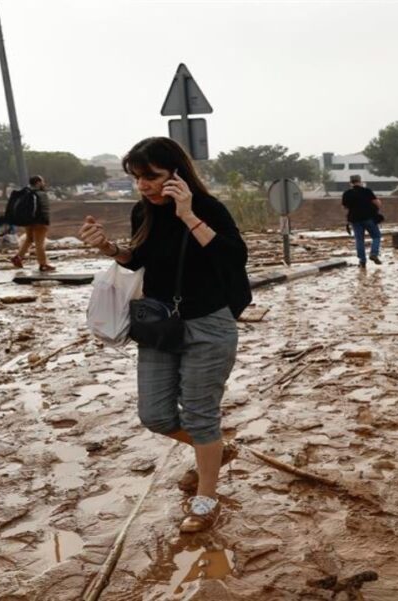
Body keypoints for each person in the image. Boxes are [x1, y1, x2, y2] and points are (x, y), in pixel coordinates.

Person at [77, 137, 251, 534]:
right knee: (154, 415)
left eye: (151, 177)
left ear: (176, 174)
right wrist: (109, 247)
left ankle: (206, 499)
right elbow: (138, 259)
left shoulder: (208, 208)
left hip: (208, 323)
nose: (144, 186)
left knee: (201, 414)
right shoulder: (144, 212)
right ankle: (214, 451)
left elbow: (232, 257)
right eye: (137, 178)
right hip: (159, 324)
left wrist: (188, 214)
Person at [10, 175, 54, 271]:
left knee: (29, 239)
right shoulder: (41, 194)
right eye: (42, 181)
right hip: (39, 222)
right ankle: (43, 264)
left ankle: (18, 258)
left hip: (28, 222)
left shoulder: (26, 193)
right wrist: (44, 222)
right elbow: (43, 210)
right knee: (39, 243)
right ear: (38, 183)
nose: (44, 183)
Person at [341, 174, 383, 267]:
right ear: (360, 181)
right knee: (376, 236)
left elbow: (345, 207)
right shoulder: (367, 191)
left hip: (354, 219)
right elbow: (377, 203)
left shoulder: (347, 193)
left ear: (350, 182)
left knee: (359, 240)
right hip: (368, 218)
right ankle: (374, 253)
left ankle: (362, 261)